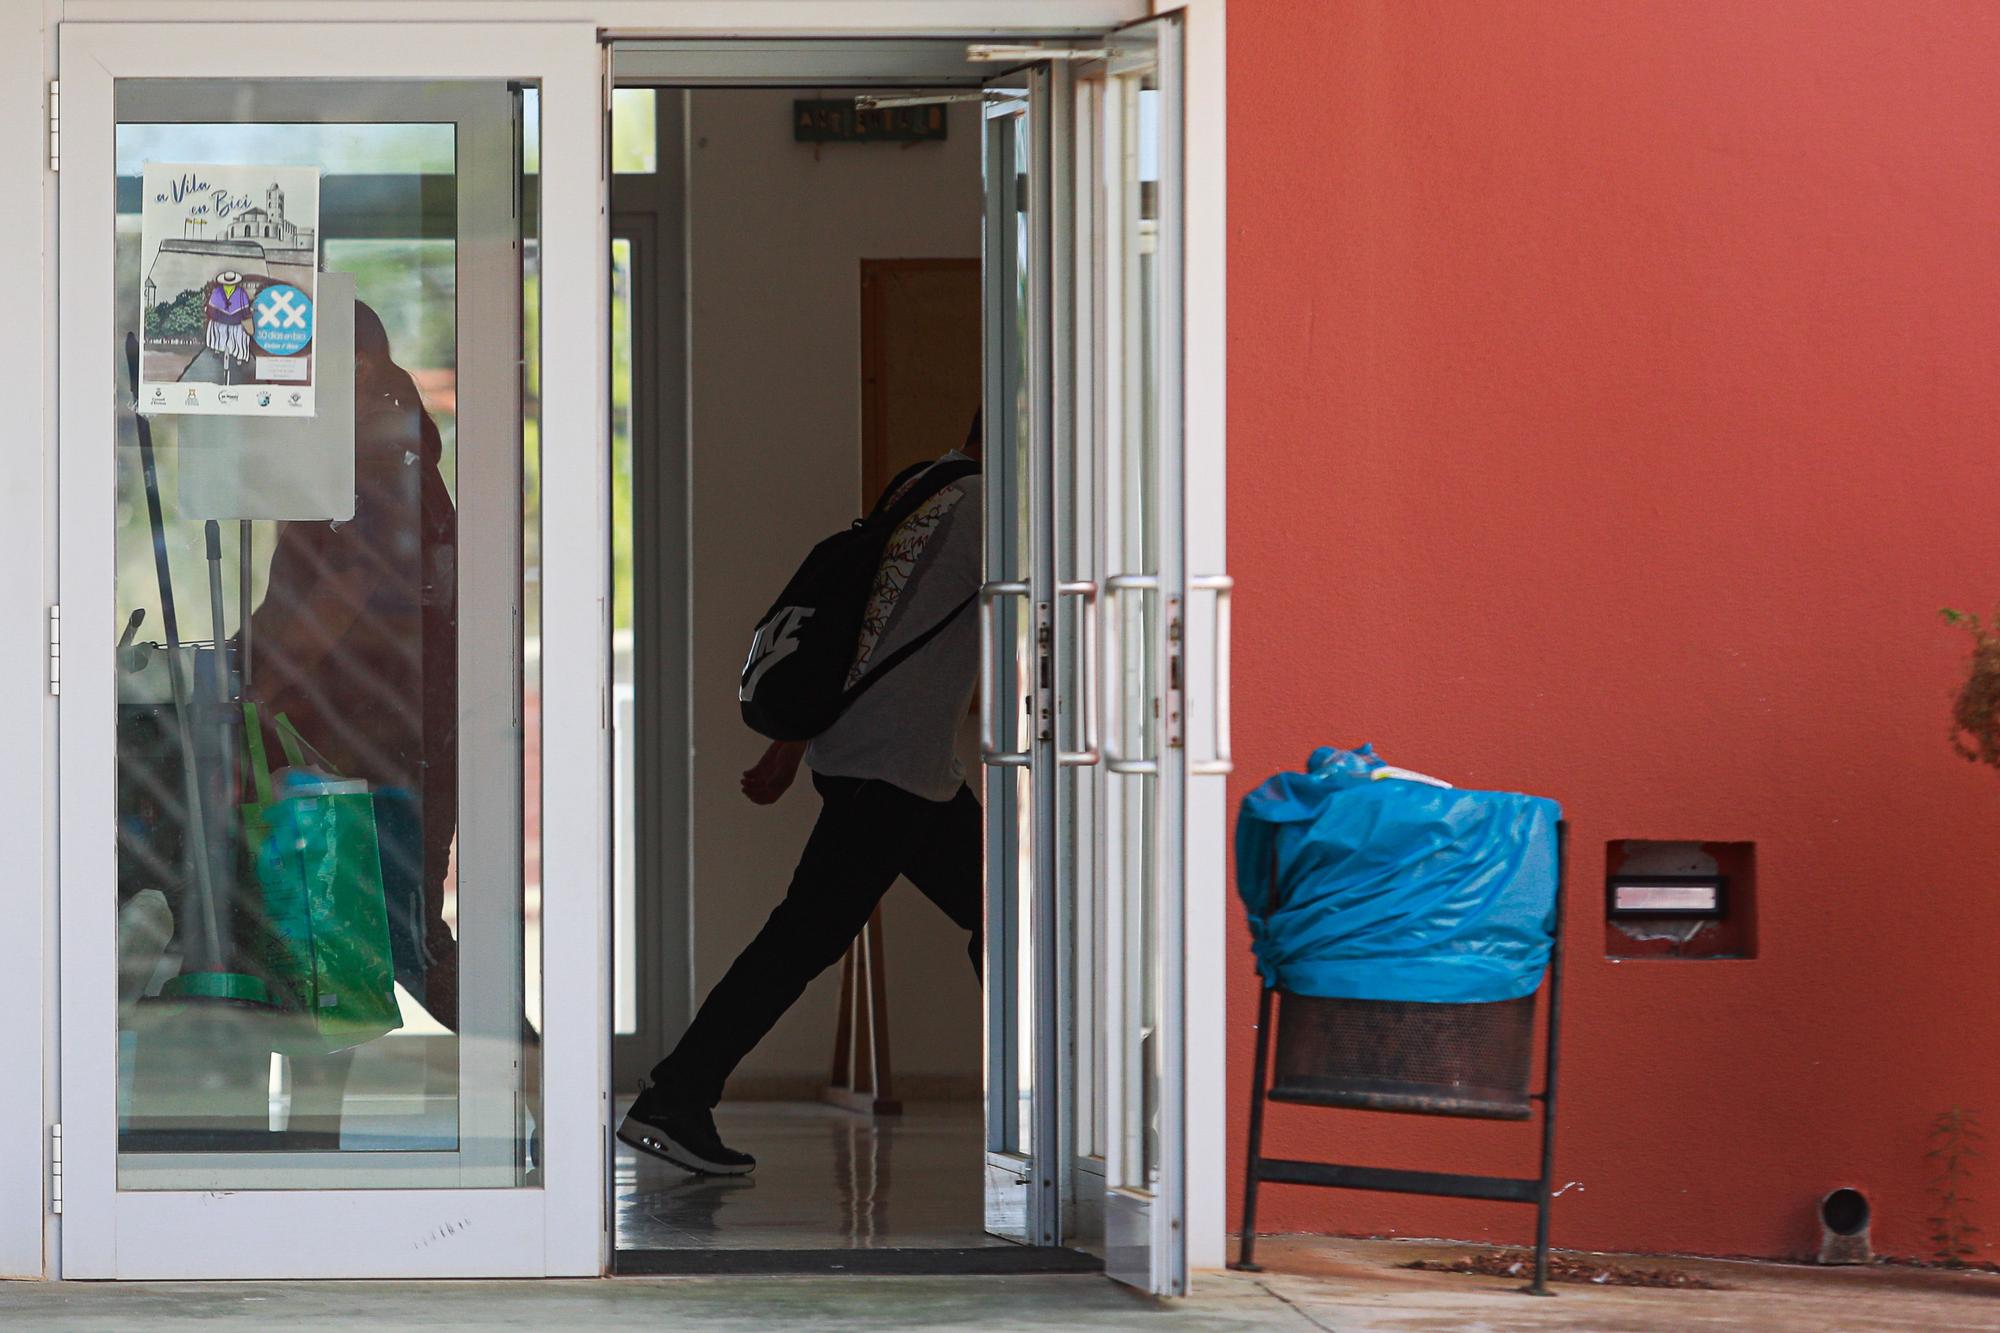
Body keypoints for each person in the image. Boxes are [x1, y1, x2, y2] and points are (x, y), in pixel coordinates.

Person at [619, 419, 986, 1176]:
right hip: (890, 768)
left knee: (999, 917)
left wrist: (791, 743)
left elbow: (863, 627)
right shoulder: (987, 512)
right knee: (805, 940)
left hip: (891, 763)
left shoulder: (927, 485)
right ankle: (673, 1096)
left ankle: (676, 1094)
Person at [245, 300, 462, 1029]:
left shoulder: (381, 456)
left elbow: (346, 589)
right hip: (371, 730)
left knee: (397, 938)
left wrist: (263, 683)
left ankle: (535, 1093)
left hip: (379, 735)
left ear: (358, 366)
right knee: (342, 937)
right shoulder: (382, 450)